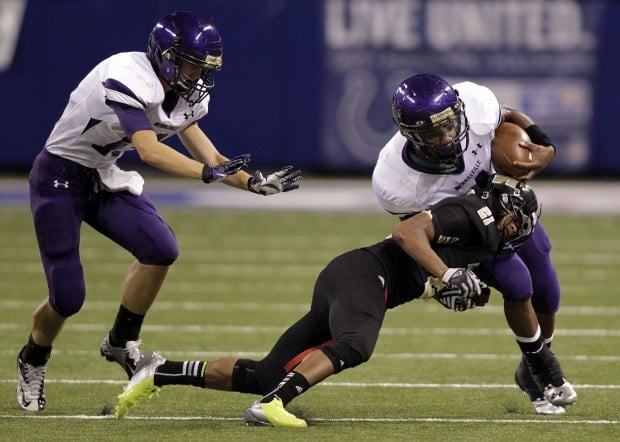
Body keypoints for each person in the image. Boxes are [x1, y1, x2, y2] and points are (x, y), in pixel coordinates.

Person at [114, 176, 574, 427]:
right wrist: (446, 273)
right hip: (363, 274)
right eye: (519, 223)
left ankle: (162, 371)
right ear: (510, 214)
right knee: (357, 344)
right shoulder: (475, 215)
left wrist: (446, 286)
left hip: (354, 278)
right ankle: (274, 405)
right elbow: (406, 232)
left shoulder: (480, 234)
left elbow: (435, 270)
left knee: (264, 371)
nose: (519, 232)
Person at [16, 11, 302, 412]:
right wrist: (206, 173)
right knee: (68, 297)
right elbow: (150, 151)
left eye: (204, 66)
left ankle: (120, 341)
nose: (198, 74)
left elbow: (213, 156)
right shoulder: (127, 74)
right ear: (166, 56)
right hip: (59, 177)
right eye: (192, 63)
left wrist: (253, 183)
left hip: (102, 174)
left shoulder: (182, 92)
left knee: (160, 248)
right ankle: (33, 358)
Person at [371, 73, 570, 414]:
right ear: (410, 135)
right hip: (467, 230)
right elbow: (418, 232)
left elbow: (506, 114)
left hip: (506, 208)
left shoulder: (474, 102)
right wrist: (445, 274)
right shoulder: (397, 182)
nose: (448, 135)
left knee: (548, 291)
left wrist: (543, 143)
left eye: (450, 124)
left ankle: (531, 366)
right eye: (433, 132)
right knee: (517, 284)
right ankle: (541, 369)